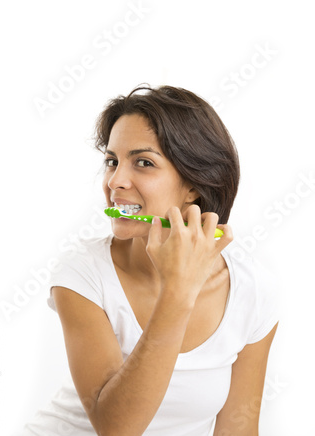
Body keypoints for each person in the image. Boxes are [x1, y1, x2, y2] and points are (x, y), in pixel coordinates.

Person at [16, 84, 280, 436]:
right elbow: (117, 428)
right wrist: (179, 290)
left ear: (194, 184)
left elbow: (237, 429)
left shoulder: (252, 290)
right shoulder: (82, 273)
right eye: (112, 161)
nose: (115, 181)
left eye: (143, 162)